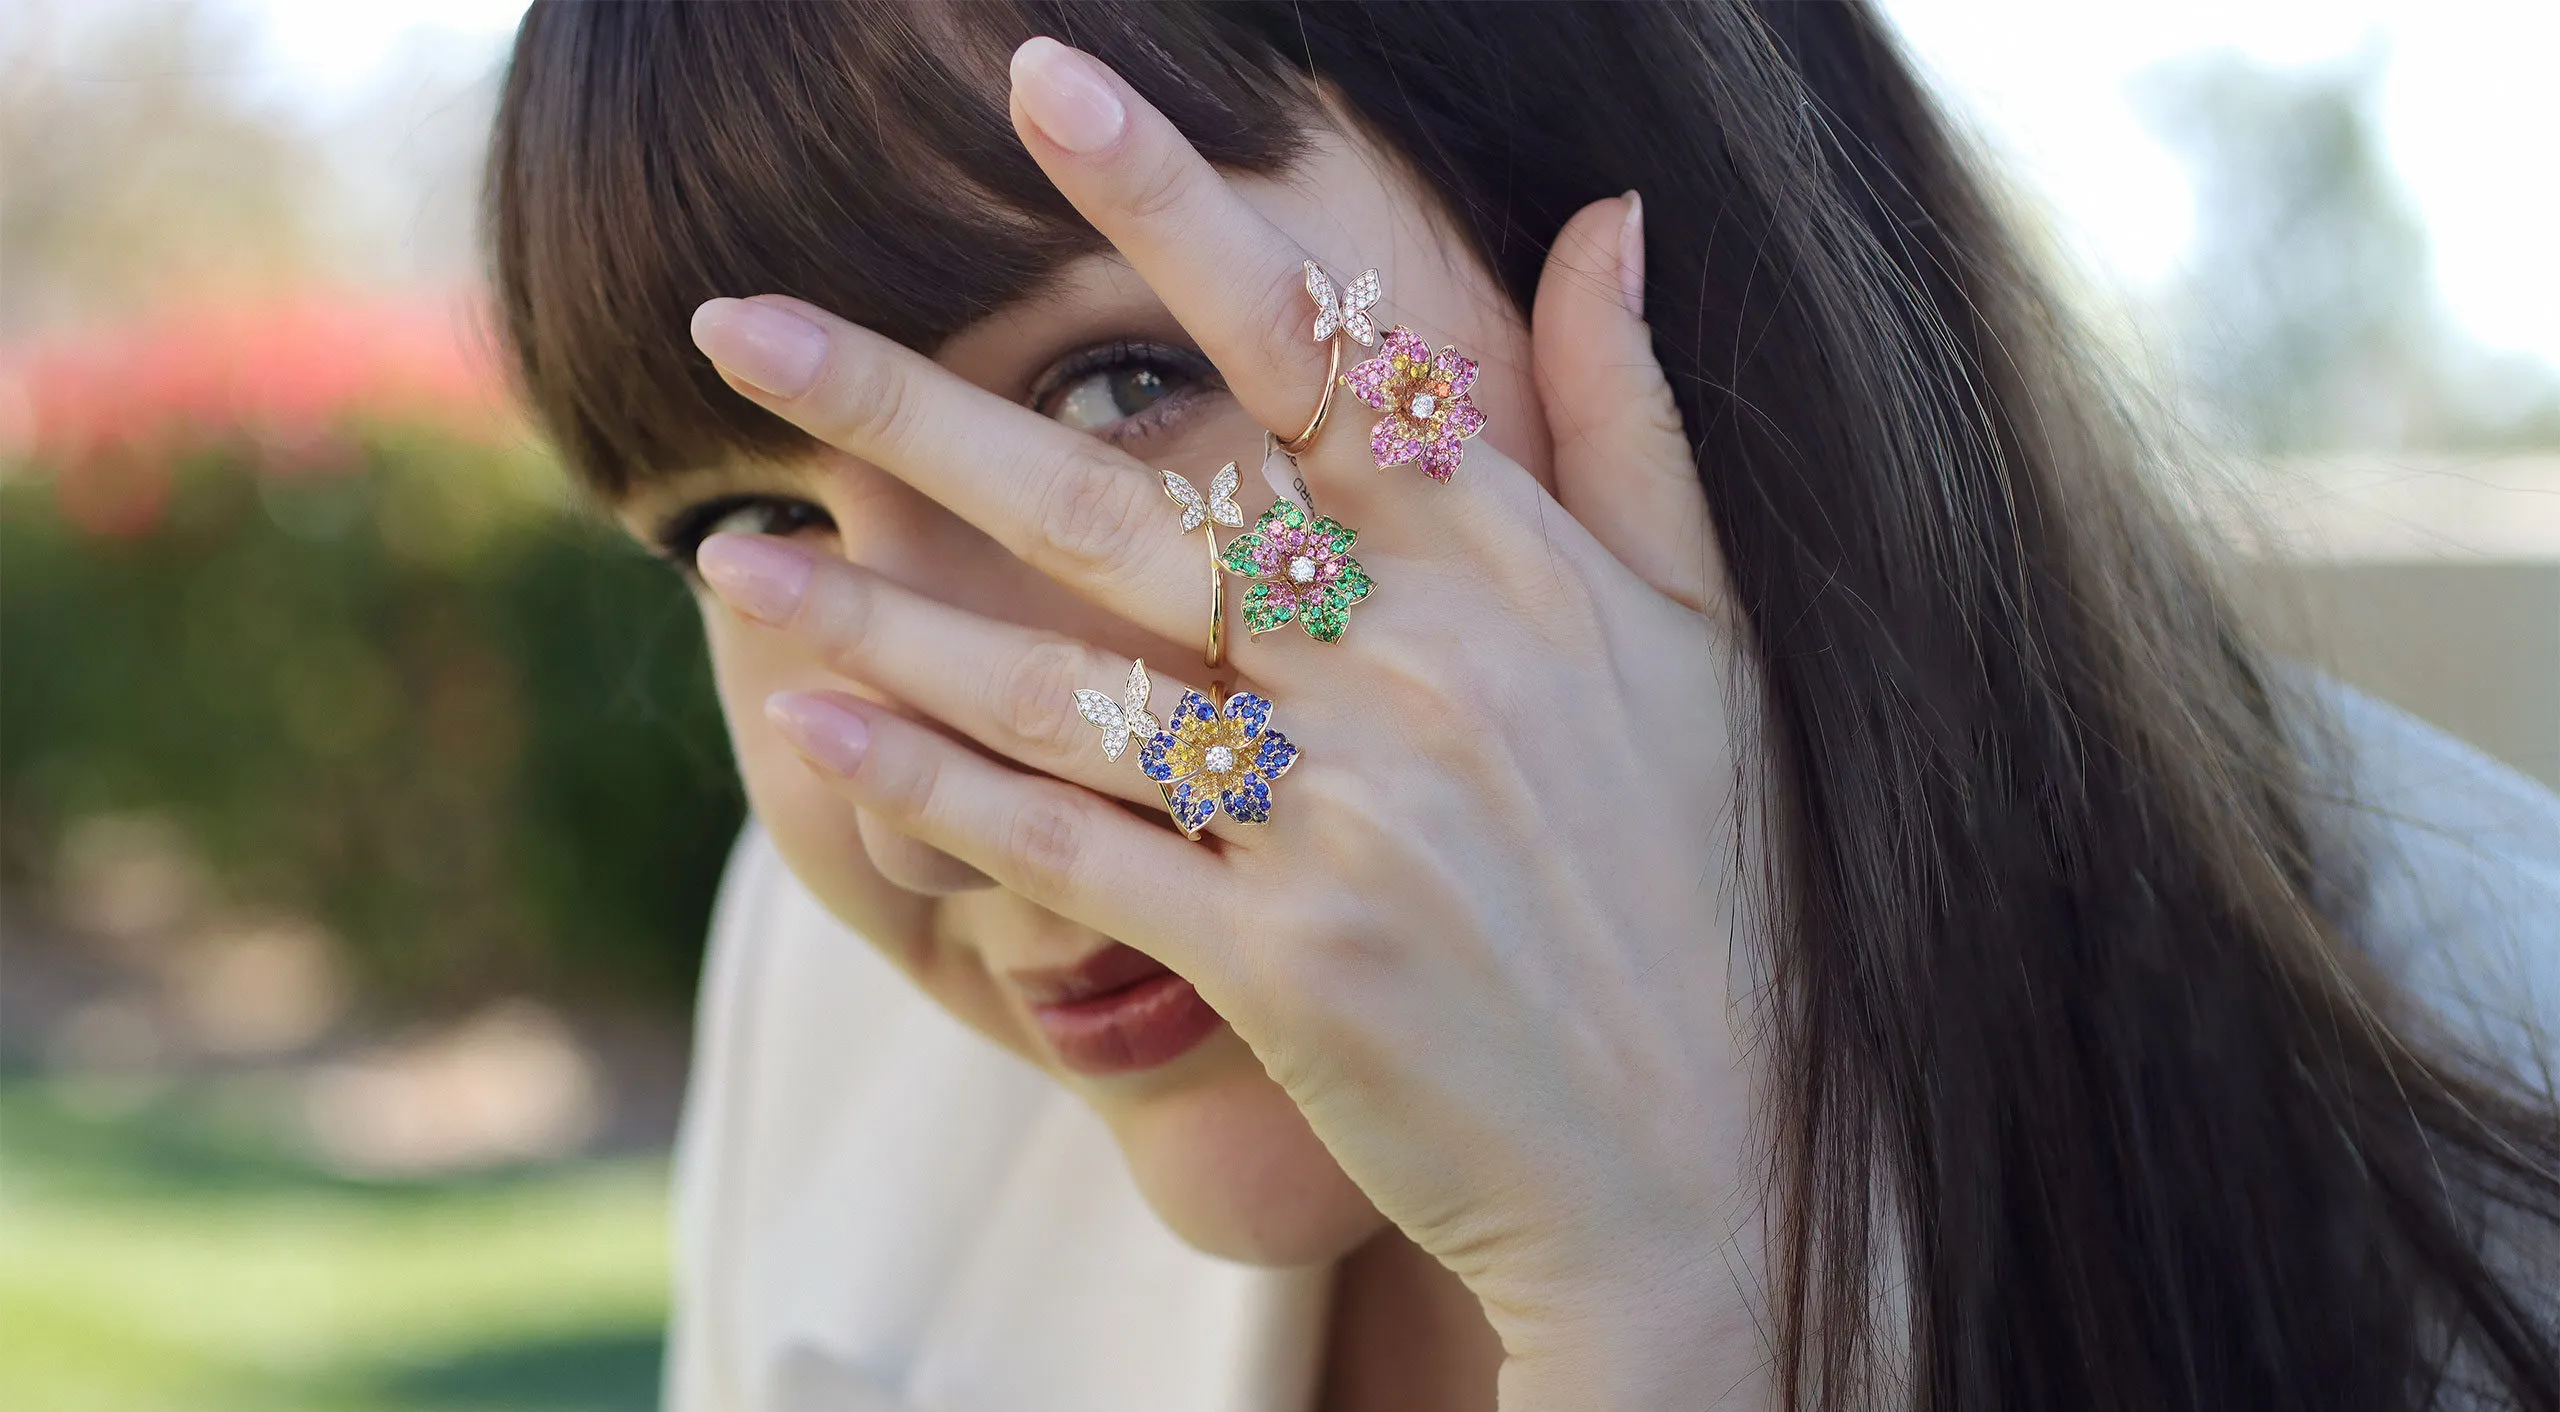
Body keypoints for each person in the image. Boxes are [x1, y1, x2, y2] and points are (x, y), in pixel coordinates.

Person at [481, 4, 2560, 1408]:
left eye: (1117, 387)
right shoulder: (839, 1011)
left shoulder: (2502, 1089)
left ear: (1659, 273)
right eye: (755, 520)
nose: (922, 814)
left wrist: (1699, 1299)